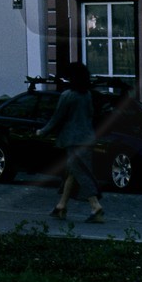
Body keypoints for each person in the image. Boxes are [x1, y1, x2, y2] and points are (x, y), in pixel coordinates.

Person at [38, 62, 105, 223]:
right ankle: (61, 206)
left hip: (73, 141)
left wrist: (42, 131)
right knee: (72, 173)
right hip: (87, 138)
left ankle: (95, 206)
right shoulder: (87, 95)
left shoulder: (67, 95)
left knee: (81, 173)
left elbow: (57, 118)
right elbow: (90, 115)